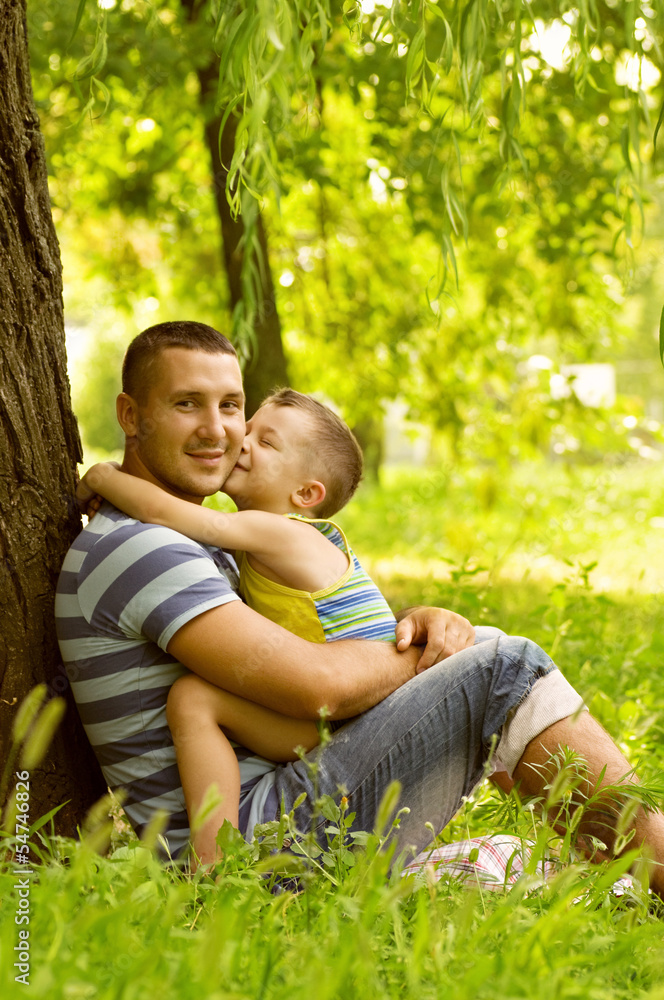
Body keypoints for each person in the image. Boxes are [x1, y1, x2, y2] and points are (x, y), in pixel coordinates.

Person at [55, 321, 664, 890]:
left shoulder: (187, 538)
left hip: (275, 806)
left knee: (507, 856)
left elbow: (313, 624)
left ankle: (635, 873)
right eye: (187, 403)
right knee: (505, 663)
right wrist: (436, 656)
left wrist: (421, 630)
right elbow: (319, 688)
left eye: (231, 406)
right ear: (131, 415)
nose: (217, 430)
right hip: (255, 845)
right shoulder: (143, 548)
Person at [76, 387, 423, 863]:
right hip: (347, 713)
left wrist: (106, 478)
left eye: (266, 442)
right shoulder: (266, 537)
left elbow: (163, 513)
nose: (241, 441)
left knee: (194, 699)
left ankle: (211, 869)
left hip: (349, 716)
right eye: (250, 428)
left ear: (305, 495)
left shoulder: (282, 533)